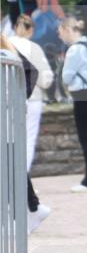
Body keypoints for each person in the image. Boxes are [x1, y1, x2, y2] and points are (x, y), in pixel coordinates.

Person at [58, 17, 87, 192]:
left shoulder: (75, 49)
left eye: (60, 32)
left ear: (68, 29)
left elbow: (66, 77)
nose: (59, 35)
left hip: (82, 94)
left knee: (86, 137)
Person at [10, 15, 53, 170]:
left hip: (6, 99)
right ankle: (23, 180)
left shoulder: (5, 45)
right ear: (31, 30)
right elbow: (45, 79)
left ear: (15, 27)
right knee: (28, 140)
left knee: (8, 139)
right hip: (31, 98)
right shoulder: (34, 48)